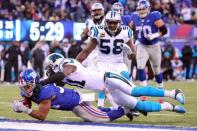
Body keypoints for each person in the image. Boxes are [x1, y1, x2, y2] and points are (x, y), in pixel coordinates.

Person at [40, 55, 186, 115]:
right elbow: (57, 89)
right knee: (138, 105)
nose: (48, 71)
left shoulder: (67, 64)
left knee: (134, 91)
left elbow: (60, 75)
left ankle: (173, 92)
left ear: (55, 63)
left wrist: (44, 81)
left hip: (108, 78)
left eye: (49, 68)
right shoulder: (60, 77)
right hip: (105, 88)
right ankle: (169, 106)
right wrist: (38, 90)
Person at [12, 69, 127, 122]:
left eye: (27, 86)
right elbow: (27, 100)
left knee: (98, 119)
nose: (25, 89)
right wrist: (21, 104)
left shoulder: (45, 93)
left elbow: (42, 116)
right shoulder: (31, 89)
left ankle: (125, 109)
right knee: (94, 113)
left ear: (35, 83)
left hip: (76, 102)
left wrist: (25, 110)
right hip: (71, 101)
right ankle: (112, 107)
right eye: (23, 87)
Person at [76, 10, 136, 108]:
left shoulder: (127, 31)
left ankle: (131, 106)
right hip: (103, 62)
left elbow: (133, 53)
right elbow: (86, 51)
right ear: (105, 22)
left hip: (119, 63)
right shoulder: (98, 31)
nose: (112, 25)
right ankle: (100, 105)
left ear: (119, 23)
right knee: (104, 81)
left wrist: (130, 53)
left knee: (128, 82)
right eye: (109, 22)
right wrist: (75, 62)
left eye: (115, 22)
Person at [130, 0, 168, 101]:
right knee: (140, 66)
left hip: (154, 45)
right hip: (142, 44)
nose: (141, 11)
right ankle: (144, 92)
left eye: (143, 9)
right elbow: (130, 29)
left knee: (156, 69)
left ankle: (160, 90)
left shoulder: (154, 16)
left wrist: (154, 35)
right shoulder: (134, 16)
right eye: (139, 9)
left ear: (148, 8)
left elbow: (164, 30)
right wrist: (133, 40)